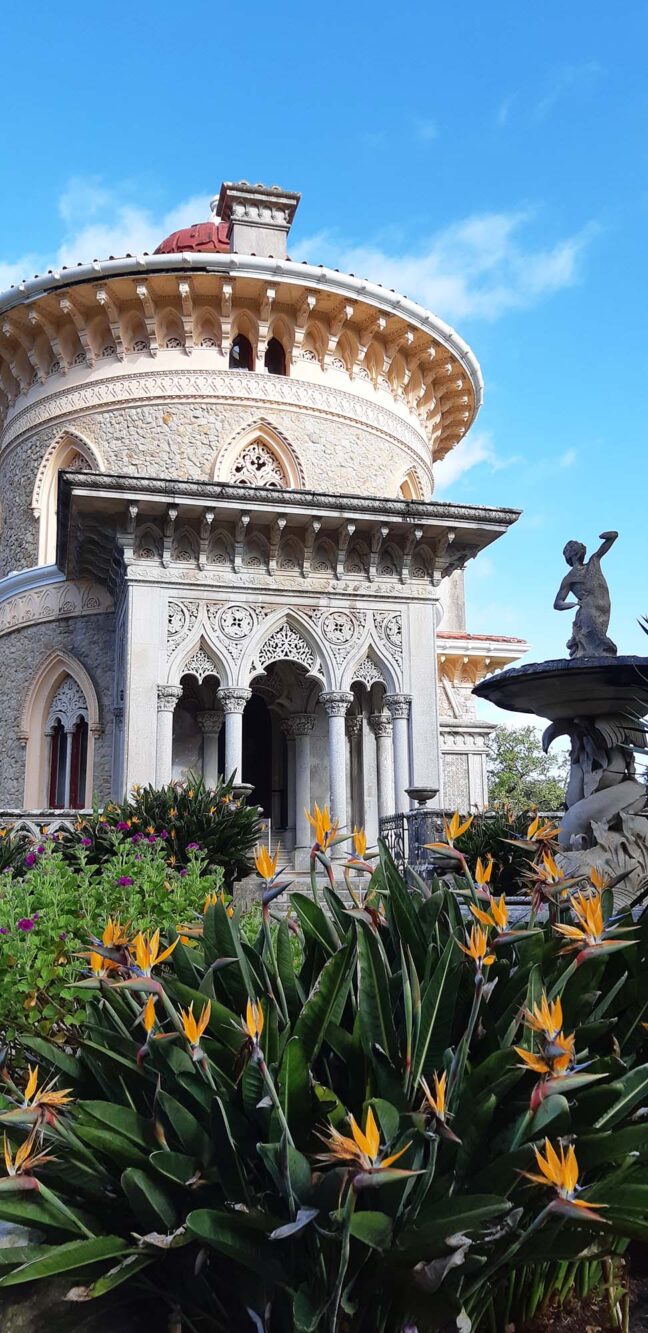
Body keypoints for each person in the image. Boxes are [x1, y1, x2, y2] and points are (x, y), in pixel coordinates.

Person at [553, 531, 618, 658]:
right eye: (575, 547)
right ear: (571, 554)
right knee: (593, 642)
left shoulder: (594, 561)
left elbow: (612, 539)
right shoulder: (569, 577)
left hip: (604, 608)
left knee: (600, 641)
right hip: (588, 610)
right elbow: (557, 603)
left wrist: (610, 536)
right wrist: (573, 604)